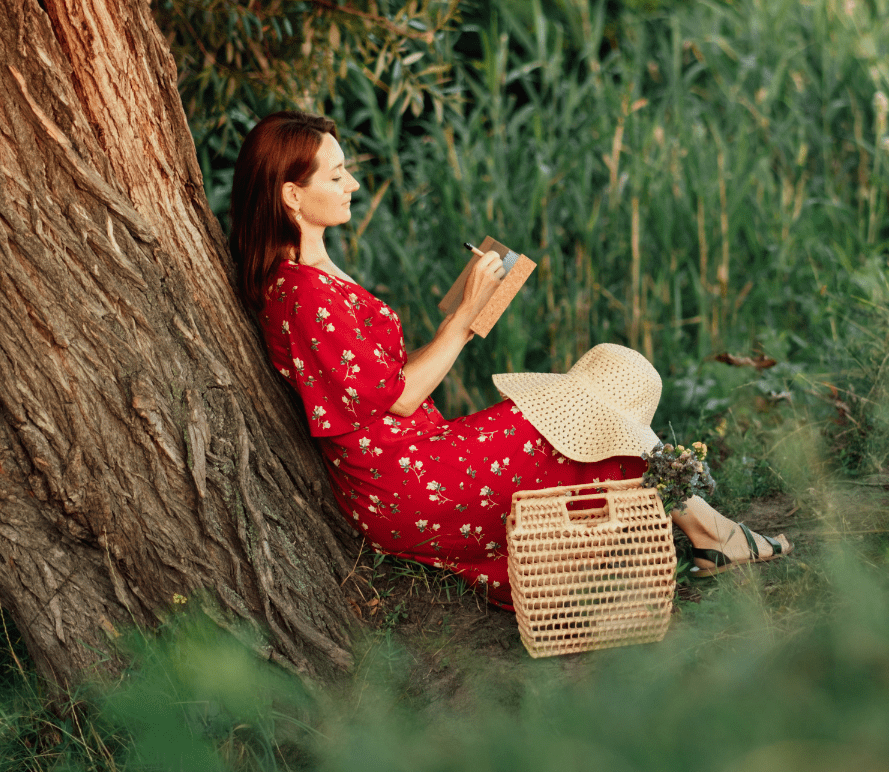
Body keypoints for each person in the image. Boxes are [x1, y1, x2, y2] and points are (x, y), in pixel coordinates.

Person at [229, 110, 789, 609]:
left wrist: (472, 316)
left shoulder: (320, 275)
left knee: (616, 374)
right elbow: (399, 397)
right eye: (335, 175)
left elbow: (387, 379)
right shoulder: (299, 293)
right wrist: (458, 318)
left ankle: (701, 530)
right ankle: (711, 533)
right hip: (406, 484)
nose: (352, 183)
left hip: (422, 456)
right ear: (291, 196)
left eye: (346, 168)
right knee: (569, 409)